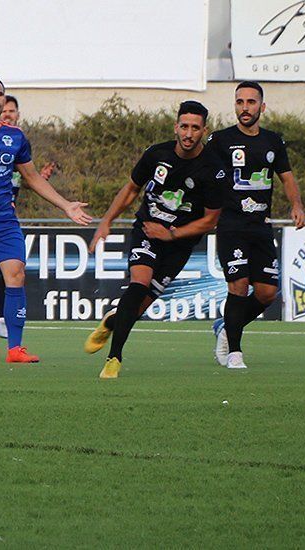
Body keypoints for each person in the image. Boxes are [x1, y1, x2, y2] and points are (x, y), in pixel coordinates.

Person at [0, 76, 90, 364]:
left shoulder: (16, 137)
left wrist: (65, 205)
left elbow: (32, 177)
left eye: (0, 94)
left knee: (16, 274)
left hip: (6, 223)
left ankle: (15, 349)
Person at [84, 101, 223, 379]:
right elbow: (131, 189)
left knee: (137, 308)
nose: (188, 133)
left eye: (195, 128)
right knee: (138, 284)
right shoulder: (156, 154)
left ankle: (112, 320)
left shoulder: (212, 168)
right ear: (176, 127)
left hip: (179, 245)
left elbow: (210, 220)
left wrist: (171, 233)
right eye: (184, 126)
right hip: (147, 231)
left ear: (204, 130)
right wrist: (107, 220)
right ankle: (114, 358)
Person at [205, 81, 305, 369]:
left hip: (261, 226)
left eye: (250, 102)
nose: (244, 108)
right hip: (231, 225)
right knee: (237, 286)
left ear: (261, 107)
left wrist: (296, 205)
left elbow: (286, 177)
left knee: (266, 293)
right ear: (235, 106)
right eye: (240, 102)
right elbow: (206, 178)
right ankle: (234, 352)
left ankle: (226, 327)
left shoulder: (273, 141)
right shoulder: (220, 141)